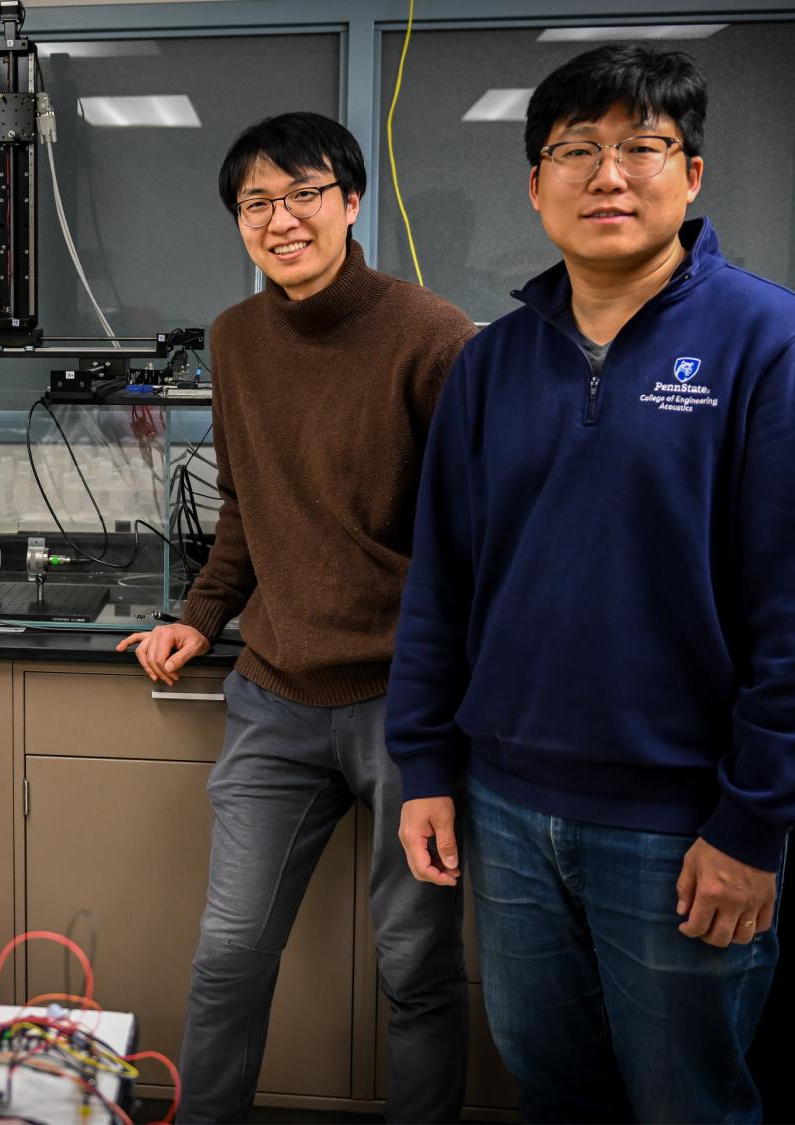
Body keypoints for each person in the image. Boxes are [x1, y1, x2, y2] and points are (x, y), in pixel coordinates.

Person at [388, 44, 795, 1123]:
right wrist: (426, 765)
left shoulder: (773, 344)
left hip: (684, 823)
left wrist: (755, 823)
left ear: (693, 173)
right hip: (509, 807)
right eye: (577, 151)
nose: (608, 176)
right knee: (552, 1084)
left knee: (688, 1102)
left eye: (641, 147)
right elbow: (444, 582)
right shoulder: (492, 363)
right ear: (536, 186)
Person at [117, 113, 475, 1123]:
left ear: (351, 202)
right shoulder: (235, 340)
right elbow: (247, 505)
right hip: (274, 696)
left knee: (415, 960)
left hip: (407, 704)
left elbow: (473, 538)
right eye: (256, 204)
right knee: (229, 954)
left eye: (304, 194)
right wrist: (199, 617)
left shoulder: (432, 336)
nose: (282, 220)